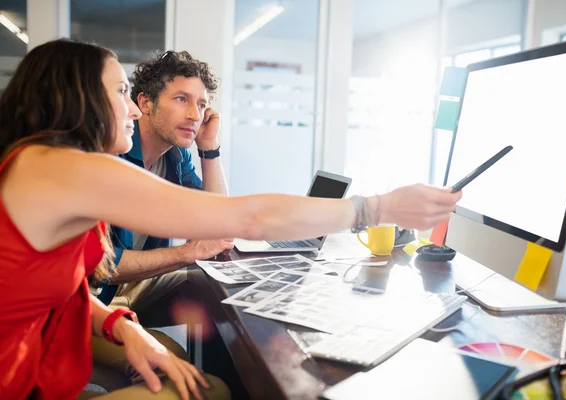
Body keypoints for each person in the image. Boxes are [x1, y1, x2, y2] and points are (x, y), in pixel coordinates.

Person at [0, 38, 461, 400]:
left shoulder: (46, 163)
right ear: (76, 96)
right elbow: (249, 216)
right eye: (121, 91)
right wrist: (374, 209)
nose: (130, 108)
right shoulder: (67, 168)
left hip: (40, 349)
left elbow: (67, 285)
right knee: (212, 390)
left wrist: (119, 325)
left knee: (184, 356)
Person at [95, 51, 232, 316]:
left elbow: (218, 221)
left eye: (202, 105)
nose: (195, 115)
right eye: (182, 99)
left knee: (221, 296)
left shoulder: (176, 156)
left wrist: (208, 148)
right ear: (145, 103)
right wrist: (187, 252)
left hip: (134, 283)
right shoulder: (112, 153)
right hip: (96, 296)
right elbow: (102, 265)